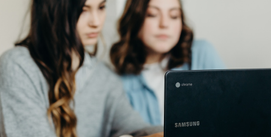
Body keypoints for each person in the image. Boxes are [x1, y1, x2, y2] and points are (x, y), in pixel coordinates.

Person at [0, 0, 163, 137]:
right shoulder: (18, 66)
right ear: (54, 11)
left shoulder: (104, 76)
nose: (96, 22)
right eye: (83, 10)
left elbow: (138, 129)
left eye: (101, 7)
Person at [110, 0, 225, 125]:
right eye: (152, 14)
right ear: (133, 19)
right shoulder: (116, 81)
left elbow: (228, 113)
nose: (164, 24)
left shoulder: (201, 54)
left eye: (174, 16)